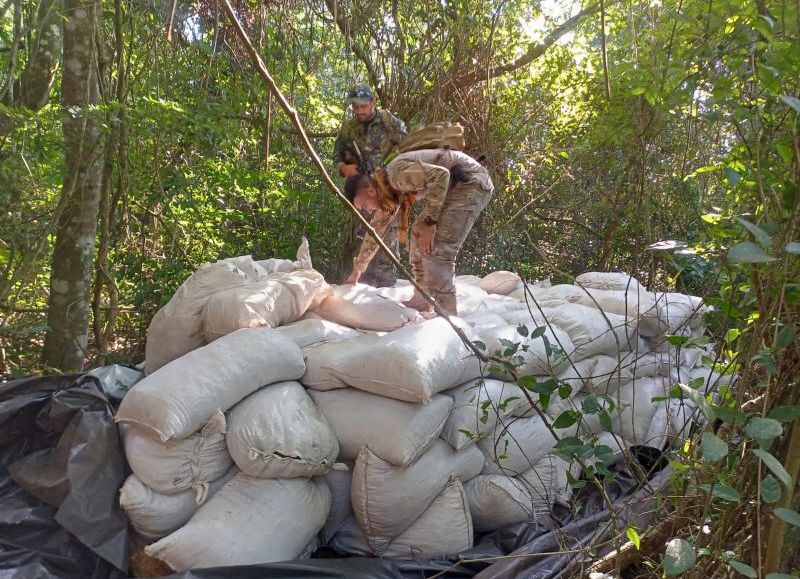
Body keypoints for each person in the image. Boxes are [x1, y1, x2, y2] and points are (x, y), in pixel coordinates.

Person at [344, 149, 494, 316]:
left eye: (365, 206)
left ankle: (447, 314)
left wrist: (430, 221)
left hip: (471, 182)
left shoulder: (395, 175)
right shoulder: (386, 193)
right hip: (455, 185)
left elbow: (441, 175)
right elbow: (376, 232)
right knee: (418, 233)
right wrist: (358, 269)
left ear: (371, 190)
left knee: (437, 249)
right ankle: (422, 299)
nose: (370, 211)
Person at [332, 85, 407, 287]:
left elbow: (407, 147)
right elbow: (336, 156)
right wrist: (344, 169)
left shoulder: (388, 121)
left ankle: (386, 281)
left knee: (386, 235)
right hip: (362, 190)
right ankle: (361, 279)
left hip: (386, 189)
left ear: (373, 103)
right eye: (355, 106)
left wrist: (388, 169)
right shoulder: (348, 128)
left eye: (363, 106)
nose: (359, 111)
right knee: (361, 236)